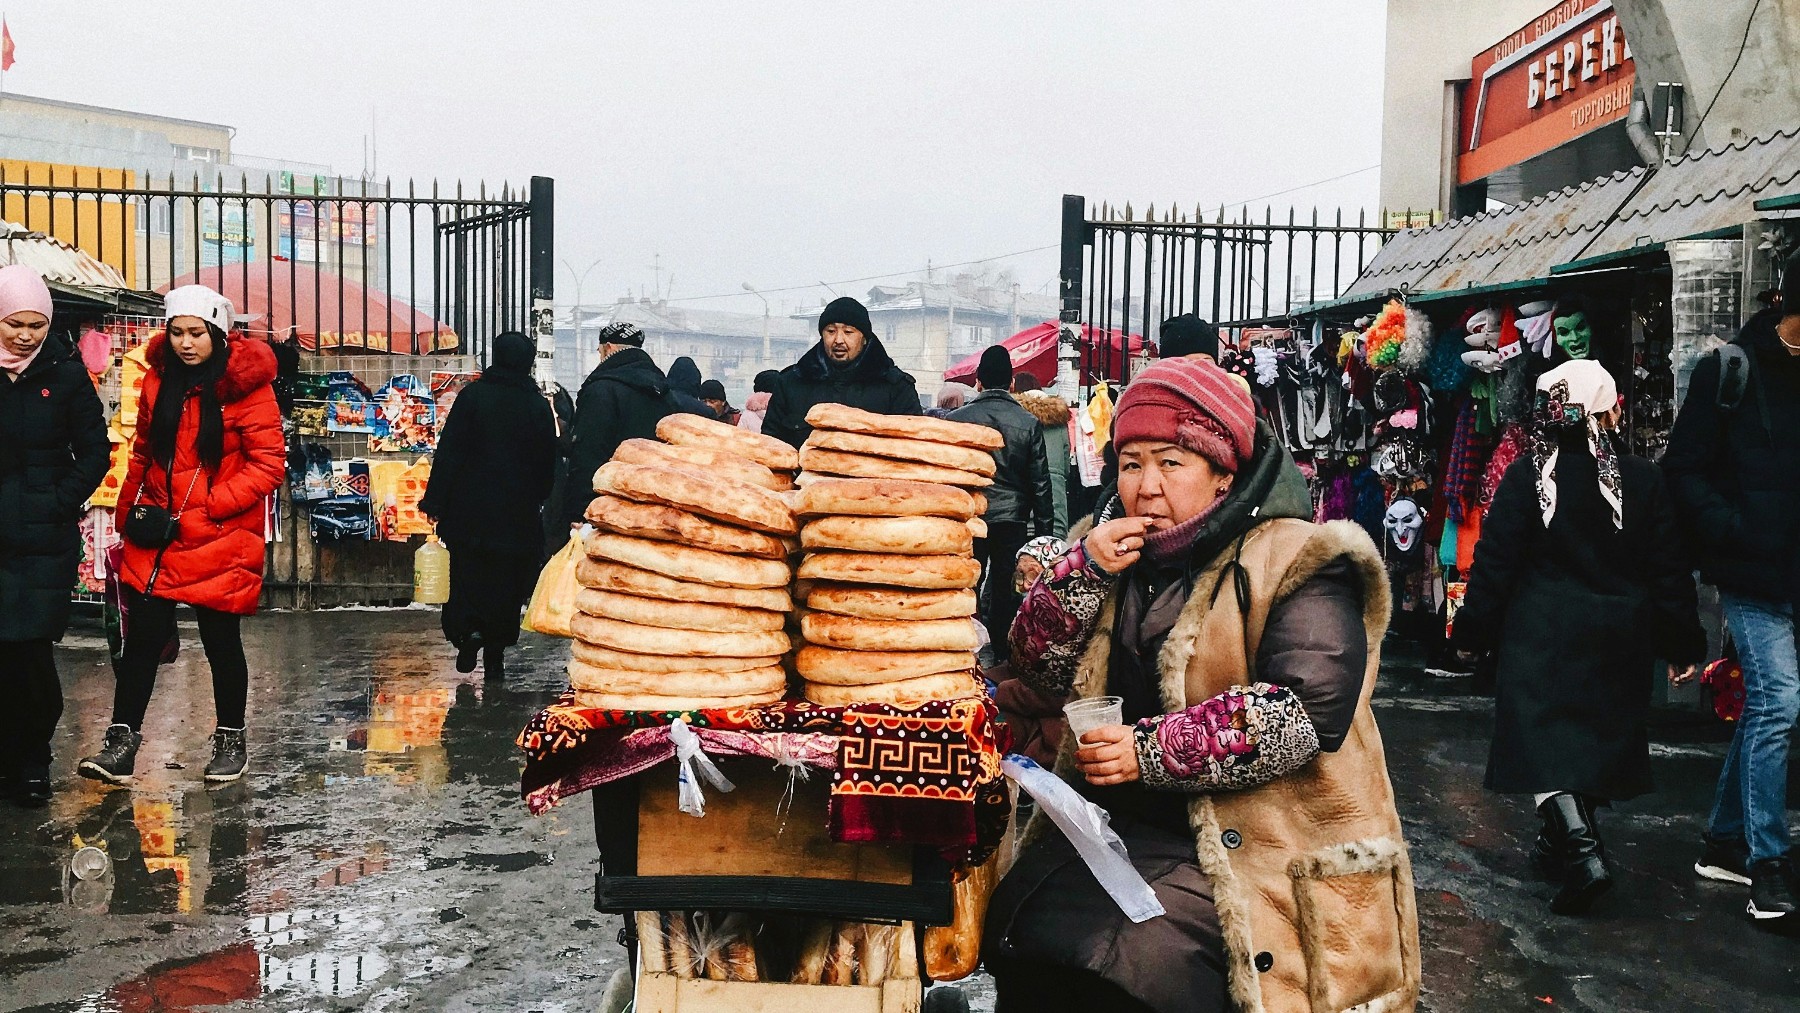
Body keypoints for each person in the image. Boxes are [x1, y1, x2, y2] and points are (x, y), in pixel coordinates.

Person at [984, 356, 1418, 1013]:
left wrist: (1149, 749)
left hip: (1263, 842)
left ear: (1224, 474)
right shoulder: (1109, 550)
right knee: (1021, 922)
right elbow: (1036, 666)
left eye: (1171, 463)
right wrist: (1082, 571)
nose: (1146, 487)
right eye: (1131, 464)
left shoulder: (1299, 557)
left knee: (1127, 959)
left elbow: (1304, 711)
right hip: (1127, 827)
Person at [1452, 360, 1703, 916]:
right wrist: (1682, 644)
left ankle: (1583, 854)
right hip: (1619, 641)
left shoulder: (1527, 477)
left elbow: (1495, 564)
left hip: (1540, 640)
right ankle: (1559, 842)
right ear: (1610, 409)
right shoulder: (1641, 479)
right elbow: (1668, 568)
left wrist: (1471, 633)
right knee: (1590, 746)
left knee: (1546, 752)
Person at [78, 285, 284, 786]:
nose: (186, 343)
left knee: (221, 642)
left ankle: (231, 740)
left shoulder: (247, 388)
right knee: (143, 641)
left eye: (197, 333)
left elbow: (268, 464)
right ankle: (121, 744)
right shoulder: (156, 382)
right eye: (177, 332)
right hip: (160, 533)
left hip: (219, 535)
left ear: (219, 332)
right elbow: (144, 452)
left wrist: (213, 505)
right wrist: (128, 515)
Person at [1663, 259, 1800, 922]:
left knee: (1767, 706)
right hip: (1750, 571)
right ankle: (1766, 863)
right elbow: (1683, 471)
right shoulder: (1732, 371)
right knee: (1780, 701)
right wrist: (1734, 529)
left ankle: (1721, 839)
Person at [0, 265, 109, 806]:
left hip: (44, 541)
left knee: (31, 653)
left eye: (36, 325)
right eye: (14, 324)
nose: (25, 335)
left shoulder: (65, 375)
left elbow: (95, 452)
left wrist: (60, 502)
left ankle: (34, 759)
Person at [421, 332, 559, 680]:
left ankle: (468, 633)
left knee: (469, 574)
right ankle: (495, 652)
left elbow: (450, 452)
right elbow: (548, 461)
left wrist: (436, 500)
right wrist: (539, 496)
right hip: (516, 515)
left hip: (469, 511)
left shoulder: (473, 398)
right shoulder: (537, 405)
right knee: (506, 581)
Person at [950, 346, 1054, 663]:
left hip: (970, 517)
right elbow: (1040, 482)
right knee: (1008, 589)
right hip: (1013, 520)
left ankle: (963, 649)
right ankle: (1005, 656)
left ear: (978, 382)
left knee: (966, 584)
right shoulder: (1028, 422)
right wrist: (1045, 532)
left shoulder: (958, 420)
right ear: (1011, 383)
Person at [558, 322, 678, 529]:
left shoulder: (601, 389)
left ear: (609, 347)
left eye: (599, 350)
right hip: (655, 503)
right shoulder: (664, 393)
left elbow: (589, 452)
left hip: (607, 503)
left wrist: (580, 510)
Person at [762, 296, 921, 448]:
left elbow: (913, 448)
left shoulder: (895, 387)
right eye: (831, 331)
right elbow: (770, 447)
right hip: (804, 475)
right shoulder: (792, 383)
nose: (838, 340)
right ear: (822, 335)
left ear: (864, 338)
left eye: (848, 332)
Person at [1014, 371, 1072, 536]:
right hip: (1056, 493)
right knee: (1054, 547)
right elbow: (1066, 466)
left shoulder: (1016, 418)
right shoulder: (1060, 418)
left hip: (1022, 500)